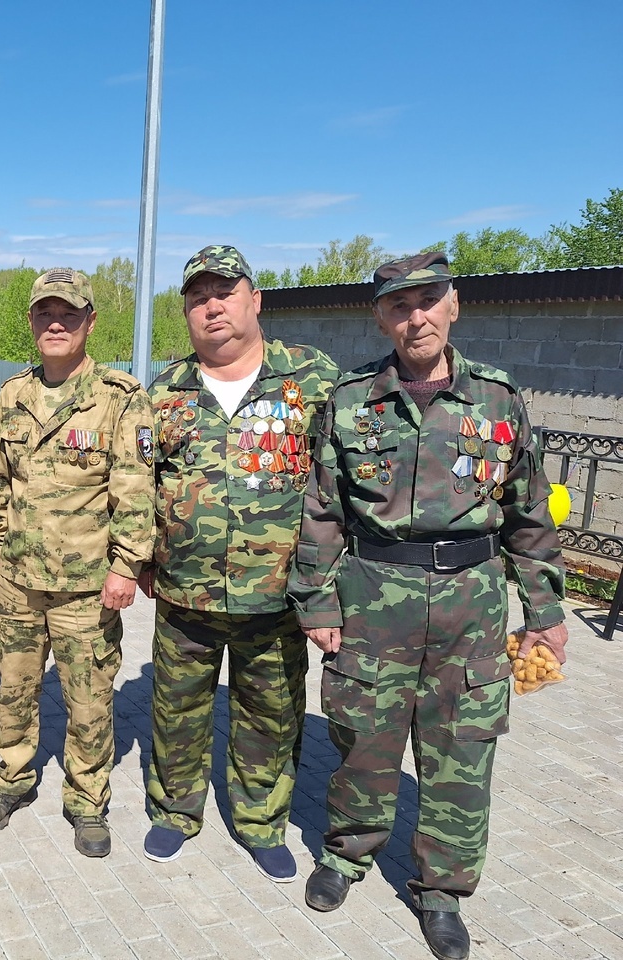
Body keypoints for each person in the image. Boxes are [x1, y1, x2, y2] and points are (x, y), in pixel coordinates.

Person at [288, 252, 568, 960]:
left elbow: (529, 513)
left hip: (471, 605)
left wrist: (544, 613)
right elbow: (321, 509)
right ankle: (347, 853)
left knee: (461, 750)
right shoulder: (350, 400)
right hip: (373, 597)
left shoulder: (498, 400)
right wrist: (316, 601)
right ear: (381, 317)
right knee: (362, 740)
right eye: (399, 306)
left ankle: (443, 891)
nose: (415, 318)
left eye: (428, 301)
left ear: (453, 305)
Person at [141, 245, 338, 881]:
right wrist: (140, 557)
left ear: (255, 299)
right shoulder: (164, 391)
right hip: (185, 594)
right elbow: (141, 484)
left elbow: (337, 483)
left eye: (224, 293)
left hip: (278, 595)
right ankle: (175, 812)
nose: (212, 307)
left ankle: (261, 822)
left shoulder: (312, 380)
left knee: (270, 715)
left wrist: (329, 584)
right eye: (198, 298)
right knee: (176, 712)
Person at [0, 269, 153, 857]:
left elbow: (135, 491)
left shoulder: (119, 398)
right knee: (14, 691)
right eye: (45, 313)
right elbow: (2, 486)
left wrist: (126, 567)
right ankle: (12, 778)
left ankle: (87, 798)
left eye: (68, 314)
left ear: (89, 322)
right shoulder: (12, 395)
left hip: (86, 588)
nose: (56, 324)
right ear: (31, 321)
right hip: (19, 583)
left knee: (89, 700)